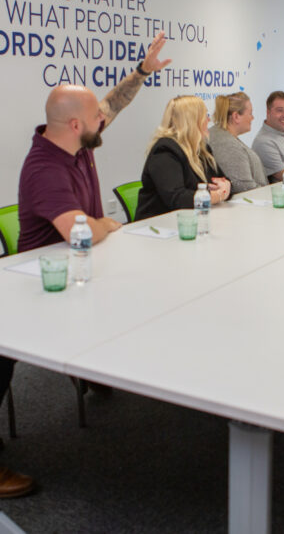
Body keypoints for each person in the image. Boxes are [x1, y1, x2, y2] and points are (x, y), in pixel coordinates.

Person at [0, 31, 172, 499]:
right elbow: (80, 231)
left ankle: (95, 372)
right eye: (95, 115)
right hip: (36, 288)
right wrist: (108, 224)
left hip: (76, 269)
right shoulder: (45, 167)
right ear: (76, 124)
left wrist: (140, 73)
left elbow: (112, 105)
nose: (105, 118)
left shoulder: (78, 142)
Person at [135, 95, 231, 220]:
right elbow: (178, 198)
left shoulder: (201, 149)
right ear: (192, 120)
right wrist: (217, 195)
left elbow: (221, 180)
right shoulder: (165, 151)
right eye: (205, 116)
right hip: (160, 224)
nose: (209, 120)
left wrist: (226, 185)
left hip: (191, 219)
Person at [208, 92, 268, 194]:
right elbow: (244, 187)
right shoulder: (227, 145)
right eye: (250, 113)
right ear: (236, 116)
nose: (252, 118)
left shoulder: (221, 135)